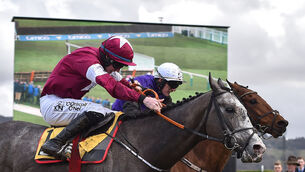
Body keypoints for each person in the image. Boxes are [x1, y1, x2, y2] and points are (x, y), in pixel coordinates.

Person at [40, 36, 163, 159]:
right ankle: (54, 143)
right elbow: (112, 87)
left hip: (65, 103)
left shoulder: (103, 61)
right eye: (117, 64)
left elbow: (121, 82)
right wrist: (143, 100)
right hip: (52, 104)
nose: (118, 69)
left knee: (114, 115)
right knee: (98, 111)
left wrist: (138, 90)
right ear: (107, 58)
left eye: (122, 66)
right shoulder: (88, 61)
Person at [112, 62, 183, 118]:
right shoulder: (142, 82)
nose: (174, 89)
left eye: (177, 85)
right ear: (161, 80)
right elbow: (130, 111)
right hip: (119, 116)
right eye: (173, 84)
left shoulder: (164, 96)